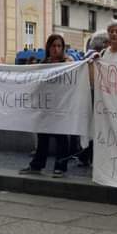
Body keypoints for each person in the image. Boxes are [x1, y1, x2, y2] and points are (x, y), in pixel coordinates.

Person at [20, 34, 74, 177]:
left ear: (63, 48)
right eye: (53, 46)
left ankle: (60, 167)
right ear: (48, 48)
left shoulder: (68, 62)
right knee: (43, 137)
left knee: (61, 137)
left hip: (61, 107)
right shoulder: (44, 63)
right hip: (45, 107)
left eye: (59, 46)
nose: (56, 49)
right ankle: (37, 165)